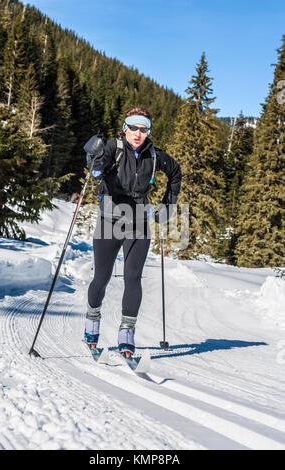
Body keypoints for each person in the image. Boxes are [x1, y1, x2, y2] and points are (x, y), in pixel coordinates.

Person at [83, 107, 181, 355]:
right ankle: (92, 323)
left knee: (133, 277)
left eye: (143, 128)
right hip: (109, 220)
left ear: (148, 131)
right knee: (101, 278)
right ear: (125, 128)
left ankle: (127, 334)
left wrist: (168, 205)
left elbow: (175, 172)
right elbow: (97, 168)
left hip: (138, 222)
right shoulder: (112, 148)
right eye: (134, 127)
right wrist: (93, 160)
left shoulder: (155, 156)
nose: (138, 133)